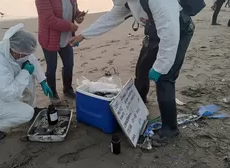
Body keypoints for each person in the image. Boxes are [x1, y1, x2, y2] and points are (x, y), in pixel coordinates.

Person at [69, 0, 195, 146]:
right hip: (154, 31)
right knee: (142, 69)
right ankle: (140, 101)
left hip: (178, 30)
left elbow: (170, 34)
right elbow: (110, 18)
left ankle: (170, 128)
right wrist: (83, 35)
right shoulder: (126, 2)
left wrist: (160, 67)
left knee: (165, 79)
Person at [0, 23, 53, 140]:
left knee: (28, 73)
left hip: (1, 90)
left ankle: (33, 107)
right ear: (17, 52)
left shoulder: (12, 49)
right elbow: (8, 95)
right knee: (26, 113)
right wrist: (24, 72)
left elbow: (31, 59)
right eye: (25, 54)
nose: (28, 56)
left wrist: (43, 81)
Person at [35, 0, 86, 104]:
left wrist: (78, 16)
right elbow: (48, 19)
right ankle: (52, 93)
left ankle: (67, 89)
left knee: (69, 64)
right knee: (52, 67)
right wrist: (69, 26)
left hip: (66, 38)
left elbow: (74, 10)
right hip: (49, 38)